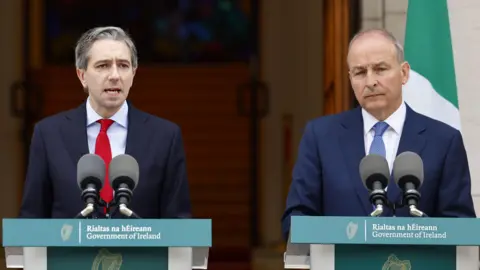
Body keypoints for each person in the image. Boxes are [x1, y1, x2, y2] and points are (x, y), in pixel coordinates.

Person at [281, 29, 476, 240]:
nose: (370, 81)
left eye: (380, 69)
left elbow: (461, 227)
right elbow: (297, 218)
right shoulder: (320, 137)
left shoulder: (444, 141)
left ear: (404, 73)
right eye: (360, 72)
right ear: (350, 78)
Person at [18, 26, 191, 219]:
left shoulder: (165, 137)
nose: (115, 75)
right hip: (70, 249)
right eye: (103, 66)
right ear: (82, 75)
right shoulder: (48, 134)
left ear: (133, 74)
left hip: (140, 250)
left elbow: (179, 224)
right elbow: (31, 219)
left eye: (123, 66)